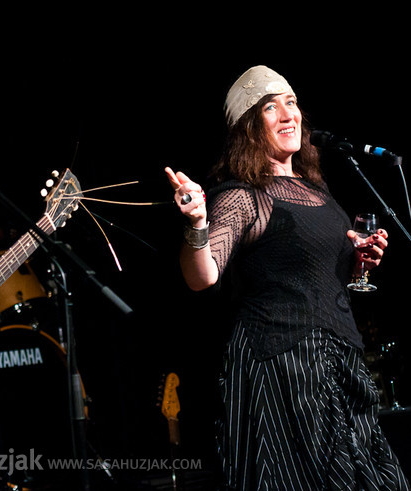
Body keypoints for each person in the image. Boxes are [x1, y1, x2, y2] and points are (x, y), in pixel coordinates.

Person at [165, 65, 409, 489]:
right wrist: (198, 223)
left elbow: (316, 276)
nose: (288, 114)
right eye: (270, 108)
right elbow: (201, 276)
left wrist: (359, 264)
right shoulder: (243, 196)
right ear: (247, 128)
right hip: (282, 368)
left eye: (292, 103)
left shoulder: (318, 192)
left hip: (339, 363)